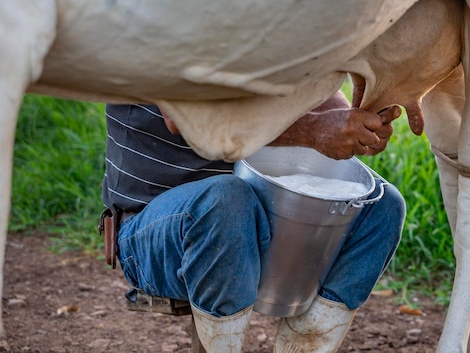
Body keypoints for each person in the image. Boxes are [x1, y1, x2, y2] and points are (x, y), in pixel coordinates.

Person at [101, 91, 406, 352]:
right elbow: (186, 119)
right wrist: (313, 132)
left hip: (249, 225)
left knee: (383, 207)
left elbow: (326, 99)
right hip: (153, 236)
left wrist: (360, 123)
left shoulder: (264, 30)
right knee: (226, 199)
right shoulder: (166, 28)